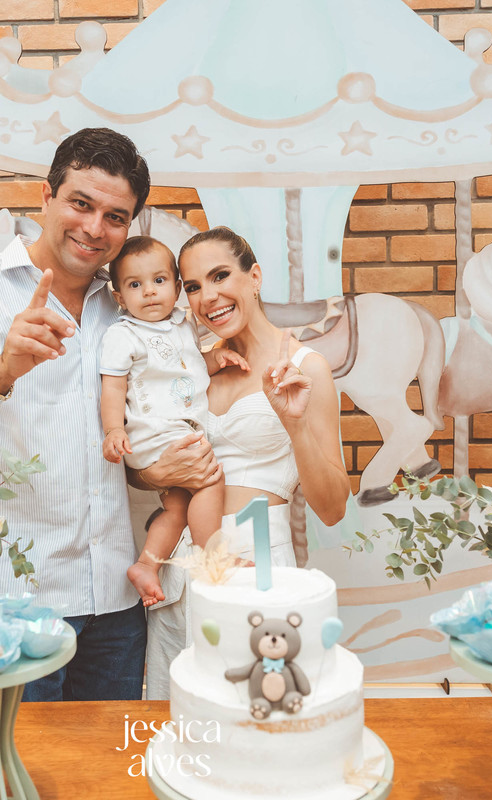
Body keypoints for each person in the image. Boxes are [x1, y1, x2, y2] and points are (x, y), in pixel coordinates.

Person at [0, 128, 218, 701]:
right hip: (10, 608)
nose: (95, 228)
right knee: (10, 762)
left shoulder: (126, 307)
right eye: (81, 203)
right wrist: (0, 373)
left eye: (115, 217)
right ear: (46, 196)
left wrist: (153, 472)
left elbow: (108, 446)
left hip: (116, 607)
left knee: (106, 761)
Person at [141, 226, 351, 700]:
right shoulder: (192, 369)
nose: (208, 297)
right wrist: (153, 473)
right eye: (193, 286)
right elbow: (146, 459)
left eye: (220, 276)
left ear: (254, 277)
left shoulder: (306, 368)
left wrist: (295, 425)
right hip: (183, 562)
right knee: (175, 710)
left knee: (251, 707)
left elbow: (333, 508)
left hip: (256, 561)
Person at [99, 236, 249, 607]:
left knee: (178, 506)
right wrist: (113, 429)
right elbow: (113, 387)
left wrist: (216, 360)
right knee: (210, 479)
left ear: (177, 288)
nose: (149, 291)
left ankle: (146, 565)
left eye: (159, 280)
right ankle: (212, 556)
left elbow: (189, 367)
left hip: (175, 431)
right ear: (120, 297)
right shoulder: (124, 335)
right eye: (135, 284)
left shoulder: (183, 325)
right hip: (156, 432)